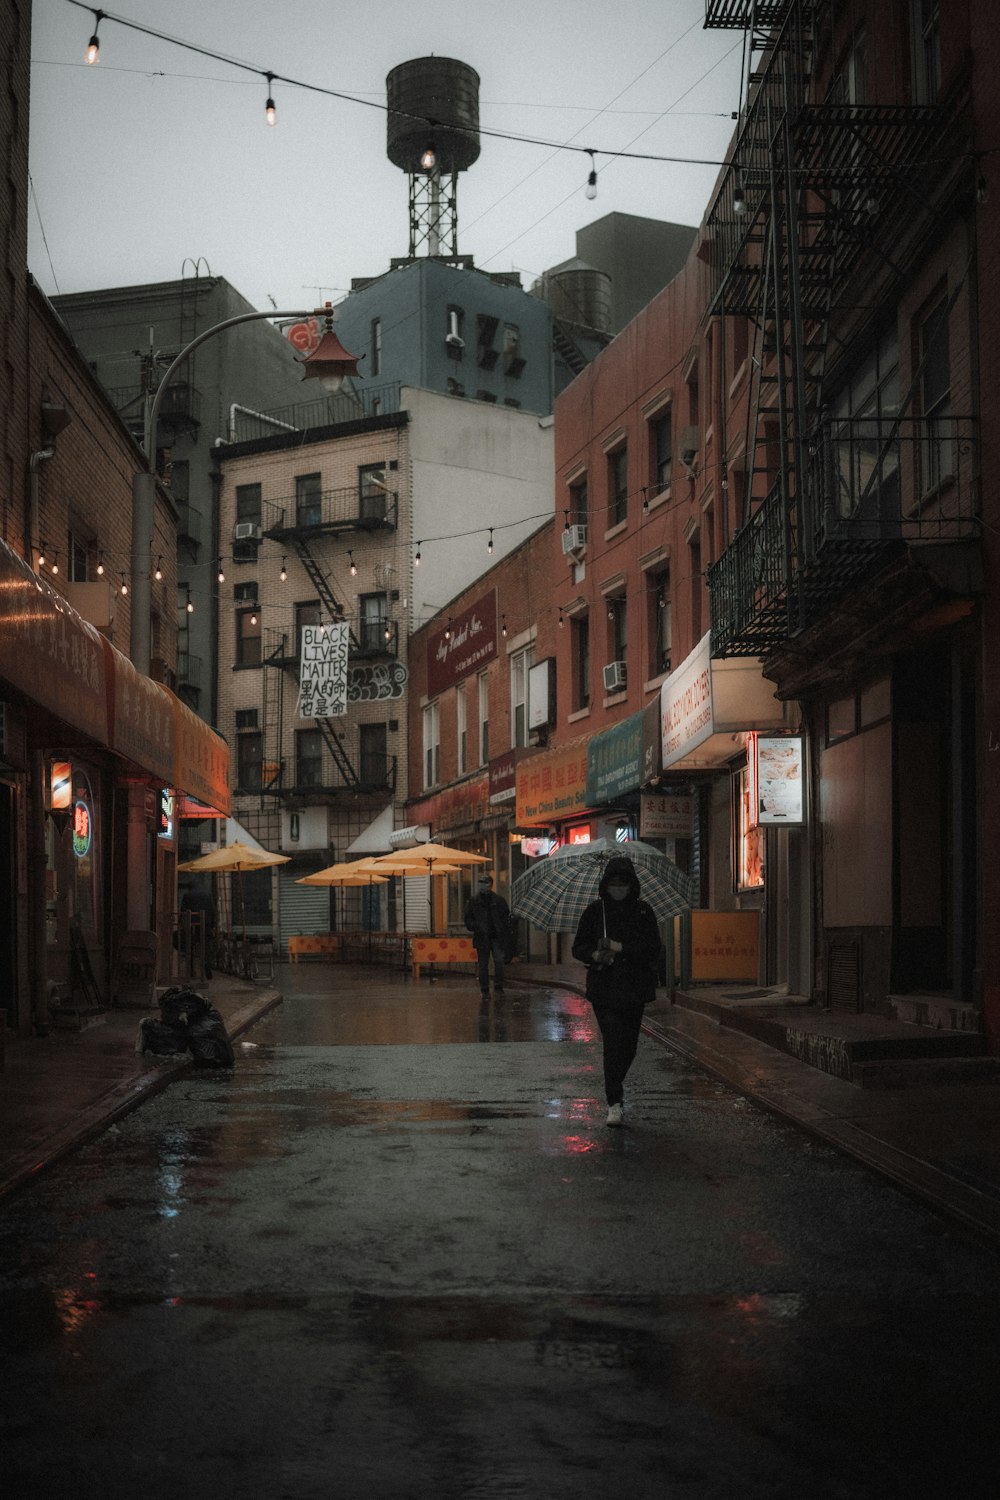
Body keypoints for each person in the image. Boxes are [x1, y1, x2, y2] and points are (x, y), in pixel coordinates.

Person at [571, 855, 661, 1128]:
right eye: (613, 883)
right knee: (612, 1042)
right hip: (604, 988)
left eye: (623, 883)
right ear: (605, 885)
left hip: (634, 988)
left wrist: (623, 948)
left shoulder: (644, 912)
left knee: (629, 1047)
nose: (618, 888)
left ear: (632, 884)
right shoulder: (595, 912)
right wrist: (596, 953)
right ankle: (614, 1101)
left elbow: (653, 949)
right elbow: (578, 947)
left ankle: (615, 1085)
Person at [464, 872, 514, 998]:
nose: (482, 886)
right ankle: (485, 989)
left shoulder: (498, 900)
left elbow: (505, 917)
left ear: (491, 885)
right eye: (480, 883)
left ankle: (498, 986)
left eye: (485, 883)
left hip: (497, 937)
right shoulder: (474, 901)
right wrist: (477, 927)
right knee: (483, 964)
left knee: (499, 961)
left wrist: (505, 931)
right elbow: (468, 919)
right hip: (482, 937)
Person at [180, 880, 217, 980]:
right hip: (206, 924)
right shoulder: (208, 894)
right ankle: (207, 967)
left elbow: (183, 910)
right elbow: (213, 911)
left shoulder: (187, 895)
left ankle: (191, 971)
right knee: (206, 948)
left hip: (192, 925)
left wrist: (181, 924)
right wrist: (213, 925)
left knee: (190, 948)